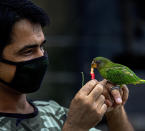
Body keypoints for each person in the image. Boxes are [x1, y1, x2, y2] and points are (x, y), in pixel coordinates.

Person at [0, 0, 134, 131]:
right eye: (27, 51)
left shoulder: (56, 113)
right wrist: (76, 127)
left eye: (42, 46)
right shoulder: (72, 121)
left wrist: (115, 109)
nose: (41, 56)